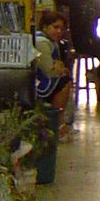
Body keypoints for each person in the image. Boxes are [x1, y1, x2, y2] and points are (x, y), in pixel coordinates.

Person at [32, 8, 73, 136]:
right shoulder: (42, 43)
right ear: (45, 27)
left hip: (41, 77)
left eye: (62, 29)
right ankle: (57, 123)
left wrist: (59, 66)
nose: (59, 31)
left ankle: (60, 122)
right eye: (55, 27)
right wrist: (59, 67)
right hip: (38, 82)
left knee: (65, 79)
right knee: (64, 82)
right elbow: (50, 70)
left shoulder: (51, 41)